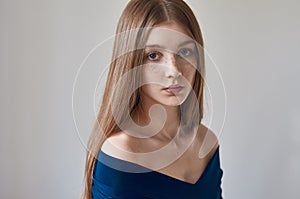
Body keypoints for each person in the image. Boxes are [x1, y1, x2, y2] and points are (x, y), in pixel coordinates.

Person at [82, 0, 223, 198]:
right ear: (131, 63)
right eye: (154, 55)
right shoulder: (122, 152)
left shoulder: (206, 142)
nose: (174, 70)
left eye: (184, 52)